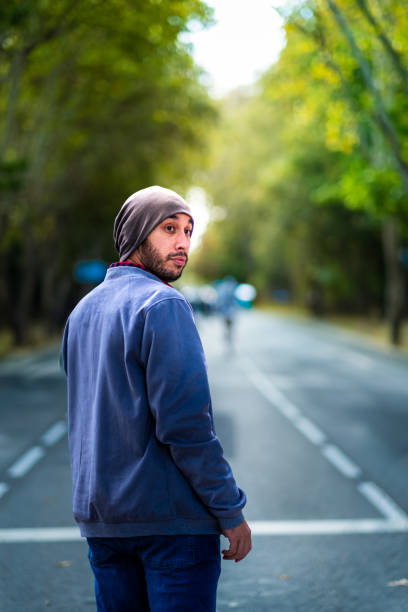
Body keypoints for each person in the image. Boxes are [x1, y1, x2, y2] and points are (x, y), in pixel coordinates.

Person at [61, 186, 251, 612]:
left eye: (188, 230)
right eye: (169, 229)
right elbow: (186, 427)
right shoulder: (162, 304)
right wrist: (230, 511)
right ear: (136, 233)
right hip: (172, 526)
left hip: (104, 523)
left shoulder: (81, 313)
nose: (183, 243)